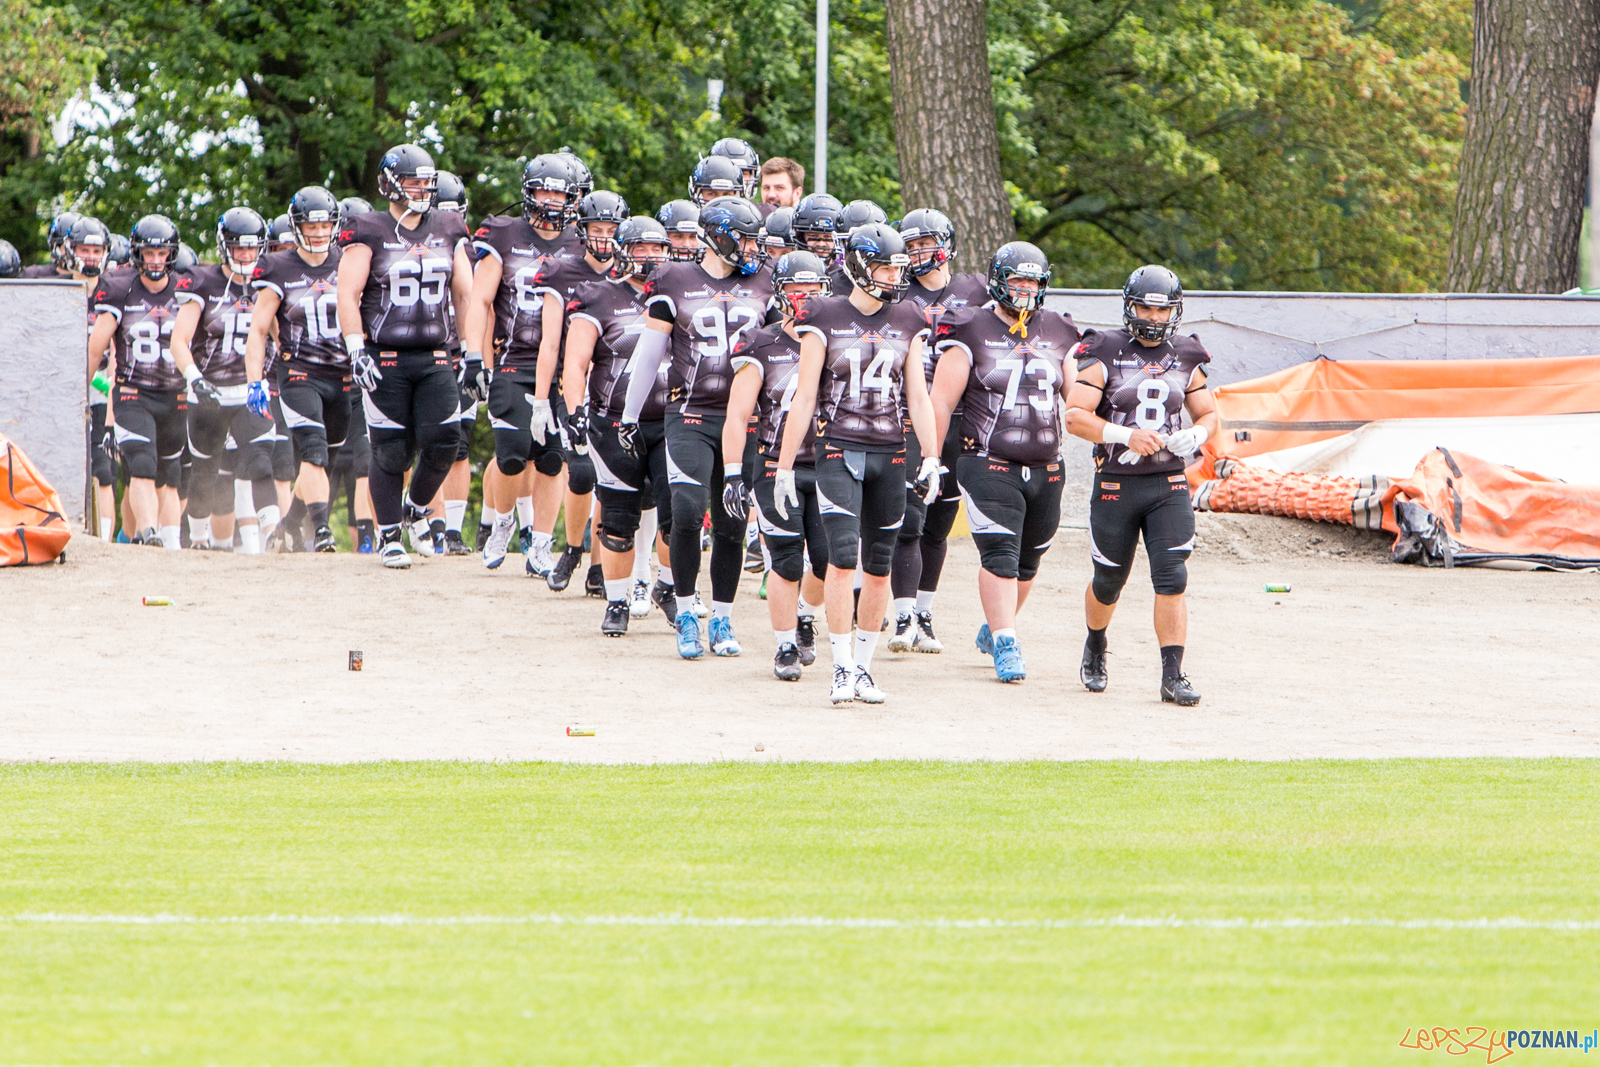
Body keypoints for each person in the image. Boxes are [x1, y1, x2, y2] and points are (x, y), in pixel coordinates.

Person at [777, 223, 941, 704]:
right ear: (859, 264)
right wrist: (785, 465)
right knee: (842, 558)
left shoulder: (909, 317)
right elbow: (804, 396)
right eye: (886, 265)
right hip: (837, 450)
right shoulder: (823, 314)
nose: (894, 275)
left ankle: (864, 669)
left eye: (897, 266)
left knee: (879, 566)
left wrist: (931, 457)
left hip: (891, 452)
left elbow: (918, 395)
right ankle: (840, 666)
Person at [620, 196, 773, 659]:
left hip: (745, 419)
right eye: (744, 238)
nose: (751, 248)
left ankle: (723, 618)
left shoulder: (764, 282)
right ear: (719, 234)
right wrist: (629, 413)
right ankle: (686, 610)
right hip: (689, 413)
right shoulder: (673, 278)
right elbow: (649, 353)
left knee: (731, 521)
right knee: (686, 512)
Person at [1062, 264, 1217, 706]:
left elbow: (1209, 413)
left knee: (1172, 577)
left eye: (1160, 309)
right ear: (1130, 308)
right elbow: (1075, 416)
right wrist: (1122, 434)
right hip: (1116, 482)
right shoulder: (1106, 348)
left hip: (1167, 483)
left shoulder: (1186, 353)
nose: (1152, 317)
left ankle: (1173, 673)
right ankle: (1095, 642)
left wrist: (1200, 433)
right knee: (1109, 580)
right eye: (1145, 308)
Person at [928, 242, 1080, 682]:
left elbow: (1075, 400)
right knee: (1000, 553)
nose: (1026, 289)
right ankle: (1008, 642)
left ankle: (994, 626)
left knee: (1029, 561)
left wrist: (1108, 431)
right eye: (1018, 279)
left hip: (1048, 463)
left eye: (1033, 280)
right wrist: (934, 458)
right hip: (987, 459)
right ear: (998, 280)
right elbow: (941, 400)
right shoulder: (970, 327)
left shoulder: (1060, 330)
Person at [335, 142, 474, 569]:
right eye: (414, 180)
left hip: (435, 355)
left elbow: (465, 294)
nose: (422, 189)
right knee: (391, 450)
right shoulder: (369, 229)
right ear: (392, 183)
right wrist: (356, 349)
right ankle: (389, 535)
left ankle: (416, 507)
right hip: (384, 354)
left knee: (445, 441)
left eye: (427, 181)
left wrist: (471, 352)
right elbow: (348, 291)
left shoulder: (449, 226)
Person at [464, 152, 583, 576]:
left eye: (558, 191)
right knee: (512, 453)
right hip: (514, 359)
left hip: (565, 364)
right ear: (528, 193)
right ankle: (502, 522)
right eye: (542, 190)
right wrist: (474, 355)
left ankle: (540, 543)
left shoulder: (581, 241)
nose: (550, 199)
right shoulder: (503, 234)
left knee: (552, 458)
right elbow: (479, 299)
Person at [561, 215, 677, 635]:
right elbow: (575, 362)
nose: (650, 257)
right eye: (642, 248)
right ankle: (617, 600)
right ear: (622, 249)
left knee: (677, 514)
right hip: (613, 421)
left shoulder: (678, 292)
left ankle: (667, 587)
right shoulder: (598, 296)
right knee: (618, 517)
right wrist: (575, 411)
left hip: (671, 421)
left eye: (657, 248)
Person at [722, 250, 832, 679]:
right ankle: (785, 645)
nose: (804, 296)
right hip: (773, 463)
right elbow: (737, 413)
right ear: (780, 292)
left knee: (829, 560)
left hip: (828, 463)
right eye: (796, 288)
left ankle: (805, 614)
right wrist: (734, 471)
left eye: (813, 288)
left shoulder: (834, 339)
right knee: (786, 558)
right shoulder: (762, 342)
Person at [886, 207, 988, 653]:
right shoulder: (893, 290)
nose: (918, 253)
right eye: (910, 245)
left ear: (946, 243)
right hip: (908, 415)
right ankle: (903, 616)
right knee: (909, 518)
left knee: (939, 523)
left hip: (961, 418)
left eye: (926, 243)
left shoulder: (977, 291)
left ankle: (924, 613)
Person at [532, 188, 629, 591]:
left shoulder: (633, 272)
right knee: (582, 472)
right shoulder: (562, 271)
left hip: (616, 390)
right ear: (583, 230)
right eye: (598, 229)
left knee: (610, 479)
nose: (605, 237)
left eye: (612, 229)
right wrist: (541, 401)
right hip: (574, 385)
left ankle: (597, 564)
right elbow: (551, 342)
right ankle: (572, 547)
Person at [169, 206, 277, 553]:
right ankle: (199, 538)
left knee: (261, 459)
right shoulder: (203, 281)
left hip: (249, 390)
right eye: (238, 246)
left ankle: (273, 533)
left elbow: (278, 333)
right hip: (210, 390)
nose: (246, 254)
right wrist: (194, 379)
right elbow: (179, 340)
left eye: (251, 247)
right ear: (224, 246)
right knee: (205, 472)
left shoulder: (267, 280)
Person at [88, 214, 200, 547]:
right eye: (148, 253)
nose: (155, 260)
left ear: (172, 254)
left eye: (161, 253)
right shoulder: (120, 287)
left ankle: (170, 541)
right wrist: (83, 393)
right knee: (141, 463)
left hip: (175, 394)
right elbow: (96, 350)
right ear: (138, 254)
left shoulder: (187, 289)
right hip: (133, 391)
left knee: (169, 474)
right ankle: (148, 532)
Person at [248, 186, 347, 552]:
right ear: (297, 227)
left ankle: (288, 525)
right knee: (314, 452)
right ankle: (321, 531)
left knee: (326, 460)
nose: (320, 233)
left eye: (326, 225)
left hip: (343, 373)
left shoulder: (348, 260)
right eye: (312, 225)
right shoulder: (279, 267)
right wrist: (255, 380)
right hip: (299, 372)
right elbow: (259, 329)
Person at [791, 193, 844, 262]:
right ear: (801, 237)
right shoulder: (790, 270)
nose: (821, 244)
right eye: (813, 236)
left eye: (828, 236)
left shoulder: (847, 272)